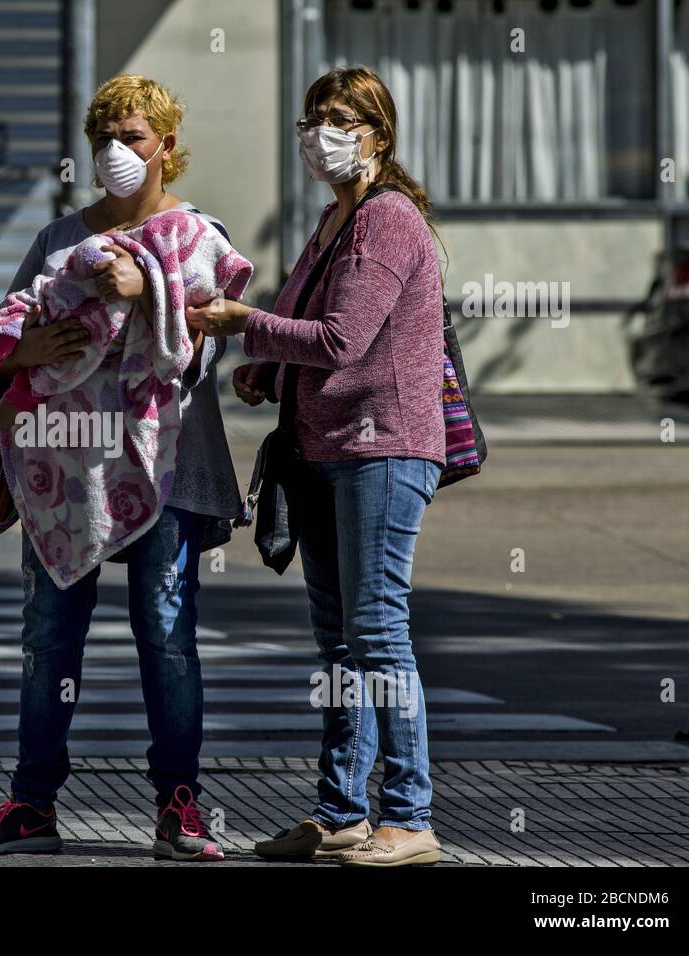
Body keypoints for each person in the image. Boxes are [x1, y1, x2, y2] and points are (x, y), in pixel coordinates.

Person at [0, 74, 241, 861]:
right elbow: (3, 337)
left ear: (166, 147)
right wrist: (30, 352)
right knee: (50, 639)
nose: (116, 152)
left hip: (166, 467)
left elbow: (210, 337)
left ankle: (179, 804)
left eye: (134, 137)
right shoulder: (57, 240)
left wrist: (148, 288)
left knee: (167, 636)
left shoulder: (194, 236)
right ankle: (32, 804)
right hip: (63, 476)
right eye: (103, 138)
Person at [187, 65, 447, 867]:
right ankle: (341, 812)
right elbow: (310, 333)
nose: (320, 132)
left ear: (378, 134)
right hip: (324, 448)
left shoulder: (388, 219)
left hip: (383, 447)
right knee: (339, 642)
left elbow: (343, 339)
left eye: (339, 118)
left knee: (377, 631)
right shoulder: (334, 220)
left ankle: (409, 816)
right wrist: (264, 367)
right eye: (312, 118)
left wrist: (244, 324)